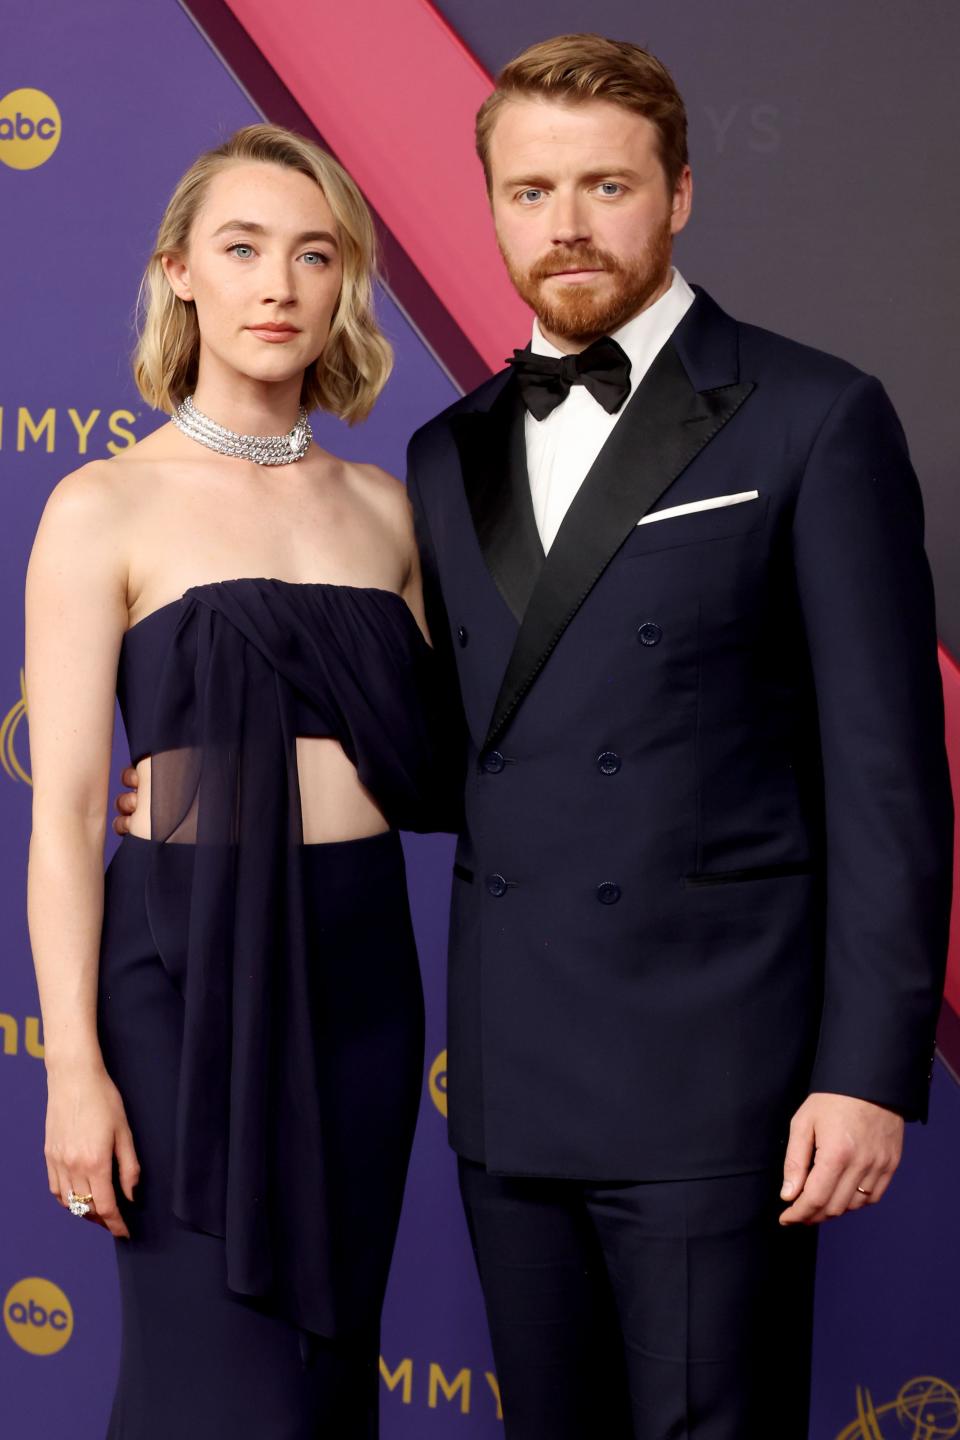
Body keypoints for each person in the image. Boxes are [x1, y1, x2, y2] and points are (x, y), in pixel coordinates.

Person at [399, 34, 952, 1440]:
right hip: (512, 1078)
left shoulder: (815, 416)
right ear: (492, 206)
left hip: (725, 1080)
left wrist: (865, 1069)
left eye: (605, 186)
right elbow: (468, 751)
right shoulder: (444, 449)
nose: (566, 226)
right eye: (530, 192)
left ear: (682, 193)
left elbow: (888, 774)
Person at [26, 122, 449, 1438]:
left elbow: (438, 764)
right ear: (180, 274)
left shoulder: (386, 509)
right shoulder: (104, 506)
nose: (279, 284)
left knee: (329, 1383)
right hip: (187, 973)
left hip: (366, 974)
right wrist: (74, 1070)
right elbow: (67, 815)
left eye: (313, 255)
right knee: (221, 1390)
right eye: (244, 248)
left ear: (342, 285)